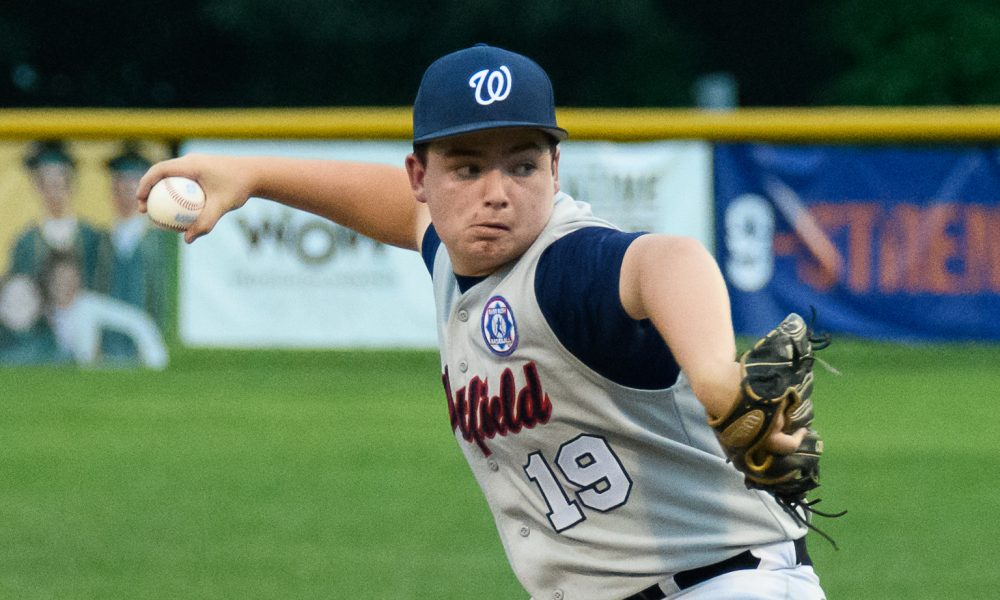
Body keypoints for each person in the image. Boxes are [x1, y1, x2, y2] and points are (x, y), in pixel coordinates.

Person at [137, 44, 826, 599]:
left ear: (556, 168)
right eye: (465, 168)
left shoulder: (565, 266)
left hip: (727, 582)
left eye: (522, 165)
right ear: (421, 176)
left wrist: (713, 374)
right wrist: (252, 173)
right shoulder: (451, 247)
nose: (495, 194)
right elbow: (396, 211)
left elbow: (666, 261)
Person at [101, 143, 171, 362]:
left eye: (133, 181)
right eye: (119, 181)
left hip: (152, 347)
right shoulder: (102, 240)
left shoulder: (161, 240)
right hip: (108, 348)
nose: (126, 189)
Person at [8, 140, 109, 291]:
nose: (54, 189)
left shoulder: (92, 239)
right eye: (47, 181)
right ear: (37, 187)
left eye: (59, 180)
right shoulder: (26, 243)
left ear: (71, 184)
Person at [41, 252, 168, 370]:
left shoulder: (88, 305)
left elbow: (139, 321)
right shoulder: (41, 311)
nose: (66, 284)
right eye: (61, 278)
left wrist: (155, 359)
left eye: (71, 278)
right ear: (49, 280)